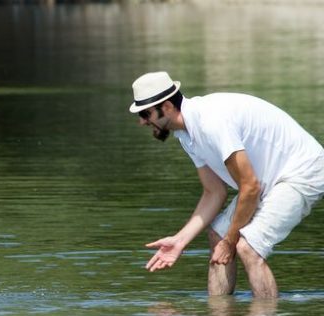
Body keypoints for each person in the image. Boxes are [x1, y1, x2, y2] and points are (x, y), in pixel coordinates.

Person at [131, 71, 324, 298]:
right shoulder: (186, 135)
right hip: (266, 180)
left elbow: (250, 188)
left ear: (168, 107)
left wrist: (231, 240)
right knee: (217, 235)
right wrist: (179, 241)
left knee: (247, 247)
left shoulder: (211, 122)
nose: (142, 121)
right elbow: (214, 192)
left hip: (303, 172)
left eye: (146, 113)